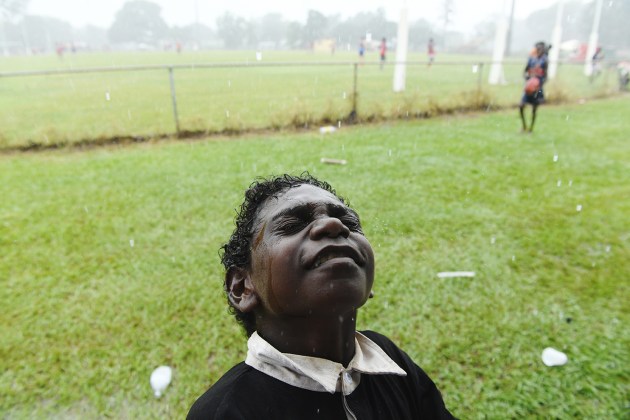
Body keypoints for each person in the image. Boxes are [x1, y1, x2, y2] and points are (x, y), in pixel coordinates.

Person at [187, 173, 456, 420]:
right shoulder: (225, 413)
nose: (334, 225)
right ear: (242, 287)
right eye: (292, 224)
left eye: (350, 222)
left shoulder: (390, 361)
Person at [519, 41, 549, 132]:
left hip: (538, 88)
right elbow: (525, 71)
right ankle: (524, 126)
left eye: (541, 49)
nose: (539, 50)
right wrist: (529, 80)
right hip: (529, 87)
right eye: (538, 48)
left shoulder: (545, 60)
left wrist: (538, 83)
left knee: (534, 109)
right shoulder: (531, 59)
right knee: (521, 105)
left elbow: (546, 76)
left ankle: (531, 128)